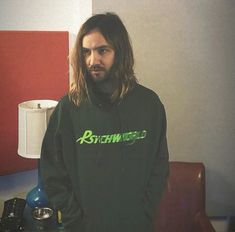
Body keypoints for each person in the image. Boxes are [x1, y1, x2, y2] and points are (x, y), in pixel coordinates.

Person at [40, 12, 169, 232]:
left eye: (102, 50)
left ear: (120, 53)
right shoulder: (69, 108)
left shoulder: (149, 105)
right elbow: (52, 172)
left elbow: (159, 166)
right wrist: (74, 219)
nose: (93, 61)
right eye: (86, 52)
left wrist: (144, 212)